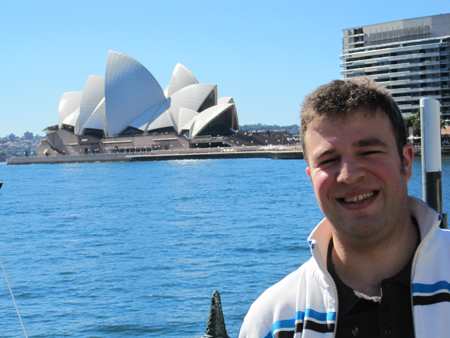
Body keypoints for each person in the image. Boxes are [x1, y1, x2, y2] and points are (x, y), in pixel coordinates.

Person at [239, 77, 450, 338]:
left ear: (406, 162)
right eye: (328, 160)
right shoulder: (274, 320)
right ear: (311, 178)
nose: (348, 175)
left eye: (369, 151)